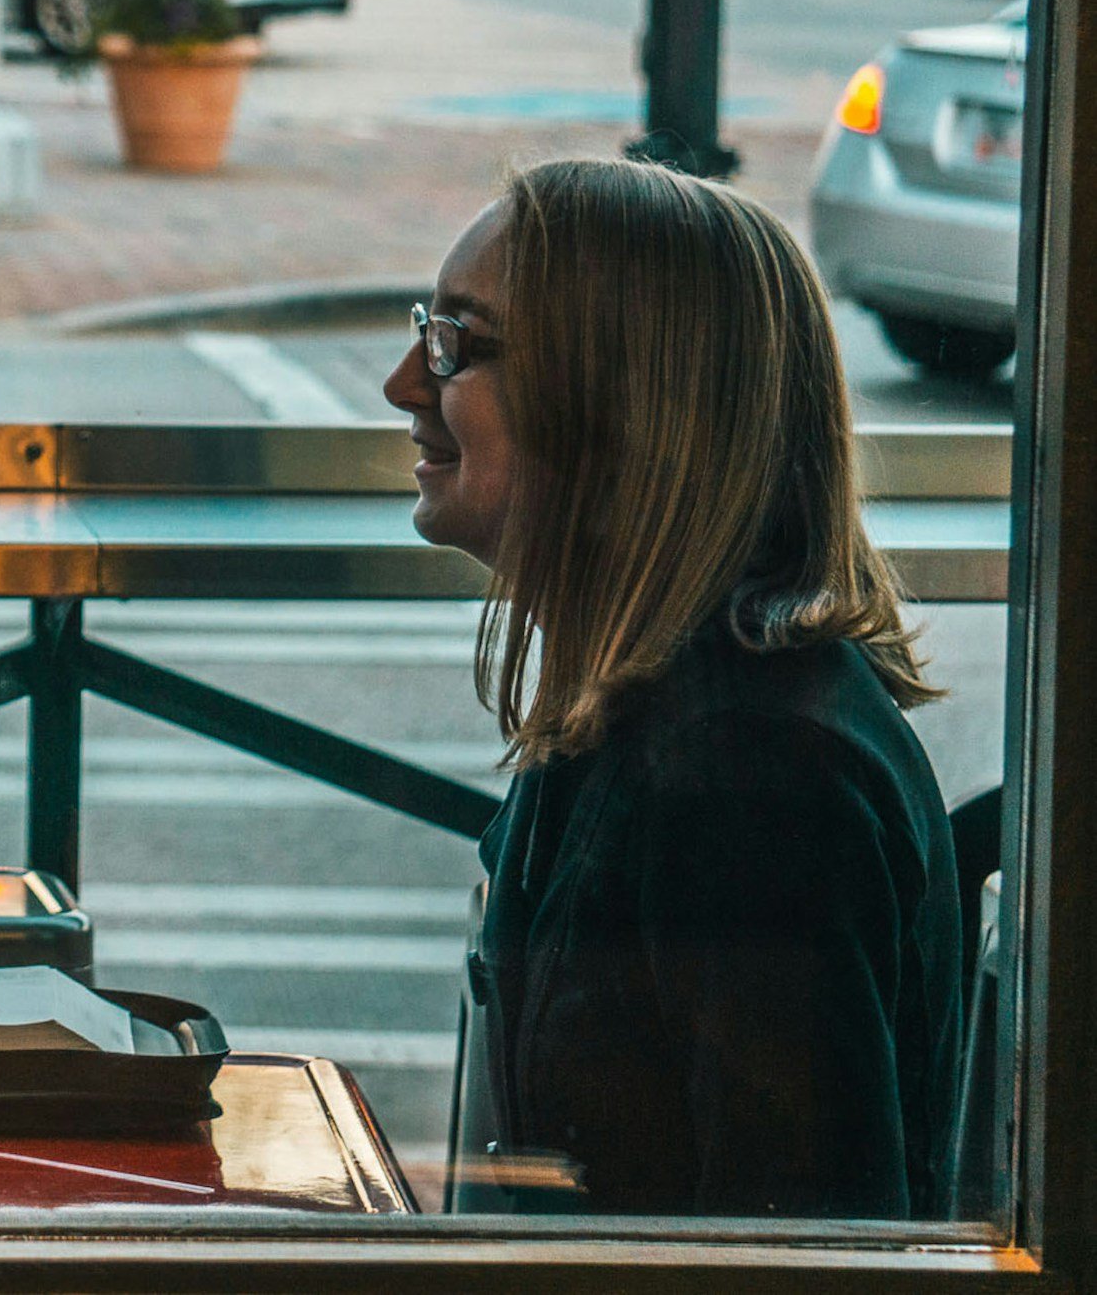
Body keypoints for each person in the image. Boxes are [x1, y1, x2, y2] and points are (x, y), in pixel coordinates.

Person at [385, 158, 964, 1218]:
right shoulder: (671, 701)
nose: (404, 385)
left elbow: (799, 1253)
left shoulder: (750, 777)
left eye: (453, 346)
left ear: (619, 399)